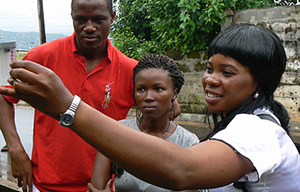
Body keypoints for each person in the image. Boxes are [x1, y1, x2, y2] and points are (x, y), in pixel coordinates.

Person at [1, 24, 300, 191]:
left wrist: (68, 107)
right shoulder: (238, 126)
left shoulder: (258, 130)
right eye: (210, 68)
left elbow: (182, 169)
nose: (211, 79)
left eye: (228, 72)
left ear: (259, 82)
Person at [0, 0, 138, 191]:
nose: (89, 27)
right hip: (44, 185)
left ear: (112, 17)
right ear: (72, 17)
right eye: (81, 19)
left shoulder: (130, 70)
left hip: (103, 187)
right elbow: (4, 97)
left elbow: (161, 113)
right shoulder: (41, 57)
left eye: (98, 19)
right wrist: (15, 150)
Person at [88, 54, 199, 192]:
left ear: (174, 93)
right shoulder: (114, 133)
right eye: (141, 89)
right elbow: (97, 188)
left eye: (158, 89)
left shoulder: (188, 143)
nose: (148, 97)